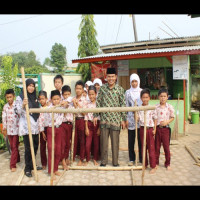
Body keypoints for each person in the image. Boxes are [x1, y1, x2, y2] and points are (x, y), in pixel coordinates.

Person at [93, 67, 127, 167]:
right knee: (103, 143)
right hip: (104, 120)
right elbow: (98, 102)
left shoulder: (120, 90)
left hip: (116, 120)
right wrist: (95, 115)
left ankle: (115, 162)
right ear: (106, 77)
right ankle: (103, 161)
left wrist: (123, 119)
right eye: (109, 77)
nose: (111, 78)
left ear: (116, 77)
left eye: (112, 76)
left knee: (115, 143)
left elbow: (123, 105)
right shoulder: (102, 89)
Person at [15, 79, 42, 177]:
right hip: (27, 127)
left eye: (32, 86)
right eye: (29, 85)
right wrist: (23, 104)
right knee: (28, 148)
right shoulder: (21, 97)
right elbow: (17, 111)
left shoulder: (35, 97)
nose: (31, 87)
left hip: (35, 126)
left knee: (35, 146)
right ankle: (27, 168)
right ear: (25, 86)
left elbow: (38, 110)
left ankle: (32, 164)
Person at [45, 90, 65, 180]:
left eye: (58, 99)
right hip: (51, 129)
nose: (56, 101)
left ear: (60, 99)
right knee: (51, 149)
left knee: (58, 150)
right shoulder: (49, 108)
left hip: (59, 128)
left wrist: (65, 103)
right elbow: (46, 119)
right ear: (51, 99)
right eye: (54, 99)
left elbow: (69, 104)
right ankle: (51, 171)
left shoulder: (62, 107)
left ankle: (56, 168)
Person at [154, 88, 175, 171]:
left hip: (166, 130)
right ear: (158, 97)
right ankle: (156, 163)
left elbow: (172, 117)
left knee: (166, 147)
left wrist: (167, 122)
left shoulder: (169, 107)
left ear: (167, 97)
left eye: (164, 96)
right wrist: (154, 129)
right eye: (161, 96)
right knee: (157, 147)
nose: (163, 98)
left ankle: (167, 163)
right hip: (158, 129)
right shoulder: (156, 107)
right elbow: (154, 118)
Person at [138, 88, 157, 174]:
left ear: (149, 98)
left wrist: (155, 129)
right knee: (143, 147)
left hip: (150, 129)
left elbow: (155, 118)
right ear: (141, 98)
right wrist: (136, 117)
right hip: (142, 129)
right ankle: (144, 164)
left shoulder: (152, 107)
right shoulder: (139, 108)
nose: (145, 99)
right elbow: (137, 119)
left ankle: (153, 166)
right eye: (143, 97)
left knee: (151, 147)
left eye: (147, 97)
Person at [125, 73, 143, 166]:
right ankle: (132, 159)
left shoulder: (142, 91)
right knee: (131, 140)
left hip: (140, 119)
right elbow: (126, 106)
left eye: (136, 81)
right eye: (133, 81)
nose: (134, 83)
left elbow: (144, 104)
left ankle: (141, 158)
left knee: (140, 140)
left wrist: (140, 115)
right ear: (130, 82)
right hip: (131, 119)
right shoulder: (127, 92)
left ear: (138, 81)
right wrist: (126, 119)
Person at [2, 89, 20, 172]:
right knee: (13, 146)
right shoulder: (5, 107)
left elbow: (20, 116)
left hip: (16, 129)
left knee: (14, 146)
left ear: (14, 96)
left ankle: (13, 164)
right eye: (7, 97)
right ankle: (18, 158)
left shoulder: (17, 105)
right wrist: (4, 129)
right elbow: (4, 118)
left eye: (10, 97)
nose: (9, 99)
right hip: (9, 130)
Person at [72, 80, 88, 166]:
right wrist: (74, 104)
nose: (78, 90)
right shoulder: (73, 99)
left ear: (82, 90)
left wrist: (78, 105)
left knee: (82, 140)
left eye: (80, 89)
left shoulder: (85, 100)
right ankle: (73, 156)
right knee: (74, 139)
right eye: (77, 88)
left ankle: (82, 158)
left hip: (81, 120)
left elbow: (84, 113)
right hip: (74, 120)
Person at [84, 85, 100, 166]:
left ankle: (95, 159)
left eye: (93, 94)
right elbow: (86, 116)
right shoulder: (87, 104)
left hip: (97, 125)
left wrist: (99, 128)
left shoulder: (99, 104)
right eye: (89, 94)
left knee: (96, 144)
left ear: (96, 94)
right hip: (89, 125)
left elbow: (101, 116)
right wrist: (86, 127)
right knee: (88, 144)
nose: (91, 96)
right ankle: (87, 159)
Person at [60, 85, 73, 170]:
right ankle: (63, 161)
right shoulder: (60, 102)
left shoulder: (71, 100)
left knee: (68, 143)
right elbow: (63, 112)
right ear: (62, 95)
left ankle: (66, 158)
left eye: (68, 94)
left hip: (70, 124)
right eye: (65, 94)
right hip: (63, 124)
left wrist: (69, 101)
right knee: (63, 143)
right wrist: (65, 103)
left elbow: (71, 101)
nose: (67, 96)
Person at [38, 90, 48, 170]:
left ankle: (54, 161)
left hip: (49, 128)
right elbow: (40, 121)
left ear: (46, 99)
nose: (41, 100)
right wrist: (42, 132)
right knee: (42, 147)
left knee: (51, 146)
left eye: (43, 98)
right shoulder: (39, 109)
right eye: (40, 99)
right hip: (42, 130)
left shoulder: (49, 107)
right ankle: (44, 163)